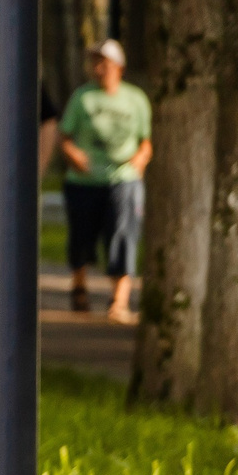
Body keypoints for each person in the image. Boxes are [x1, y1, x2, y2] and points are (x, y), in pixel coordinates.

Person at [57, 39, 151, 322]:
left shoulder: (135, 99)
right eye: (95, 62)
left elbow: (146, 141)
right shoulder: (82, 98)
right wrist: (73, 155)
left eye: (105, 62)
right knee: (81, 238)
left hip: (123, 179)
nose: (99, 68)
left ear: (119, 67)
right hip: (84, 181)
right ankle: (79, 289)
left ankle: (119, 301)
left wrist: (139, 160)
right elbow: (65, 136)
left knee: (122, 236)